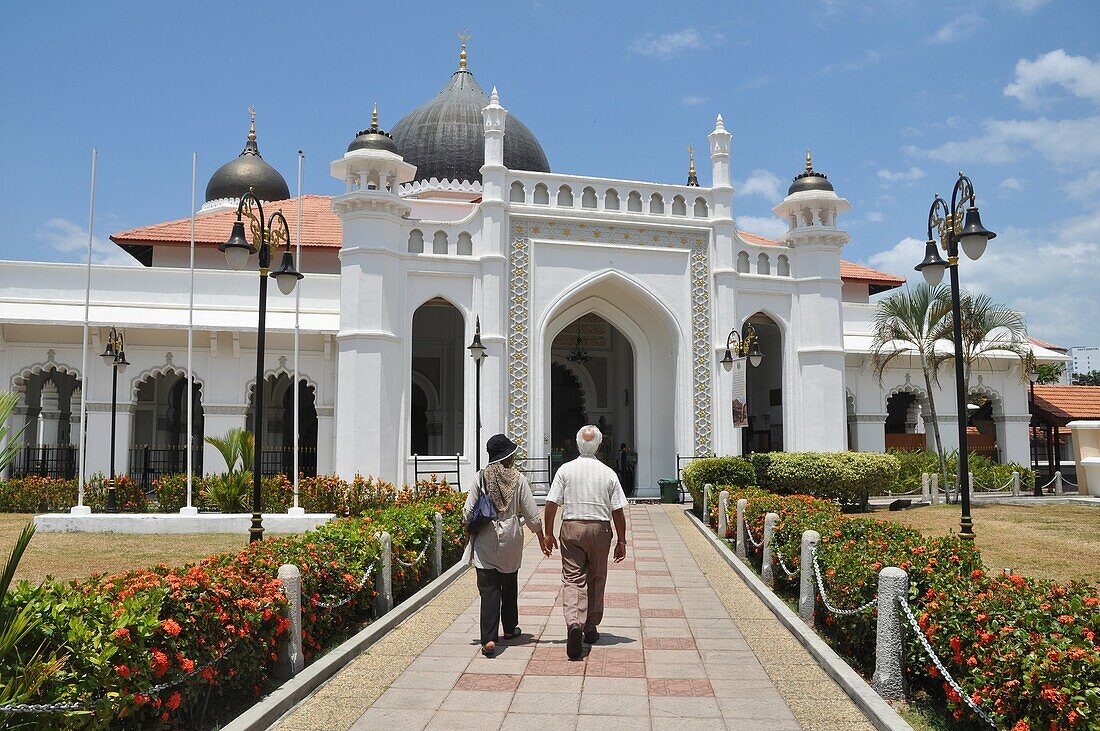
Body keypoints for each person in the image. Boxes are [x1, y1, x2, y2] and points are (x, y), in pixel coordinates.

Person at [543, 425, 628, 660]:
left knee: (572, 579)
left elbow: (551, 504)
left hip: (571, 527)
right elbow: (618, 511)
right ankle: (590, 627)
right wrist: (622, 541)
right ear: (598, 446)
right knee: (597, 577)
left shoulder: (565, 470)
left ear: (578, 444)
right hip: (599, 529)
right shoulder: (608, 472)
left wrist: (548, 533)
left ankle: (573, 623)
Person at [462, 434, 547, 657]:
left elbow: (467, 511)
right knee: (509, 582)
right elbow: (531, 514)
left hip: (485, 537)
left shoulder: (481, 477)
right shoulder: (518, 479)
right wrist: (542, 538)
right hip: (510, 535)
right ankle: (509, 629)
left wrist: (469, 529)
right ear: (508, 457)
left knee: (489, 589)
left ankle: (489, 639)